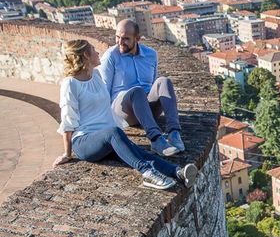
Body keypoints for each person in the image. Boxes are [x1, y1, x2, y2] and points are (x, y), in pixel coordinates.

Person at [54, 39, 197, 191]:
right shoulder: (70, 84)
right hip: (85, 141)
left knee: (137, 152)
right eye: (93, 49)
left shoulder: (96, 75)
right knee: (115, 133)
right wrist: (67, 154)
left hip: (107, 138)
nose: (98, 53)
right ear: (85, 55)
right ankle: (148, 174)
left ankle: (177, 172)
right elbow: (68, 120)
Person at [98, 19, 185, 157]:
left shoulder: (151, 54)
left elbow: (153, 85)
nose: (120, 42)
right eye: (117, 37)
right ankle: (156, 139)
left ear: (137, 38)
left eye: (126, 38)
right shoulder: (111, 56)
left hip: (146, 107)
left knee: (163, 81)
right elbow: (104, 89)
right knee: (136, 91)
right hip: (123, 109)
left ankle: (174, 133)